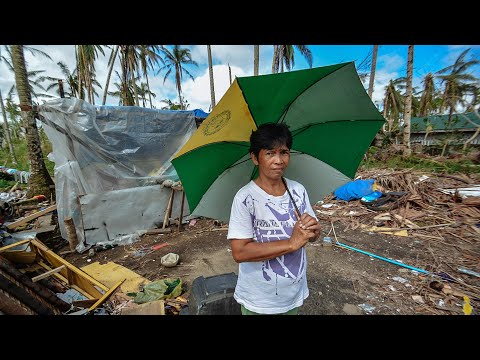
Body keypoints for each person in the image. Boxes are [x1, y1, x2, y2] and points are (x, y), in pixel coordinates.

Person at [227, 122, 321, 315]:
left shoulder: (298, 191)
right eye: (270, 153)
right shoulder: (245, 198)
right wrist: (291, 243)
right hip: (259, 300)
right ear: (255, 158)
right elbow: (240, 252)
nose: (279, 160)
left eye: (284, 152)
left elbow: (312, 235)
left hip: (293, 295)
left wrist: (314, 231)